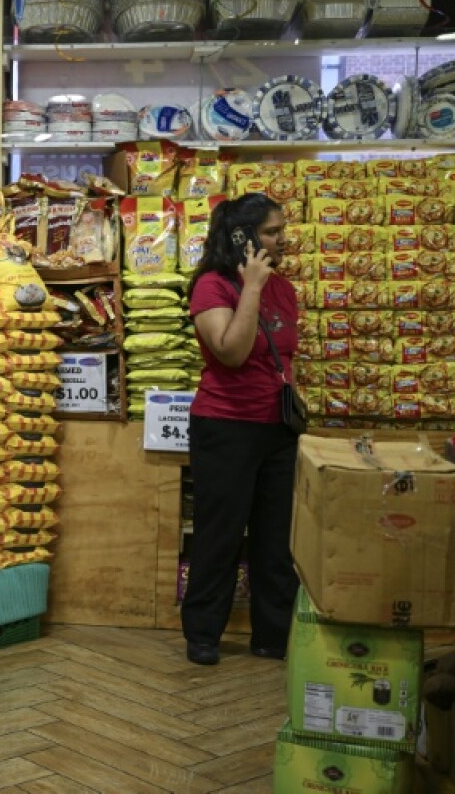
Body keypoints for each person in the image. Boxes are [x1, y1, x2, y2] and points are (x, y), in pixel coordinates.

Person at [181, 192, 300, 667]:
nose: (281, 240)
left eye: (280, 230)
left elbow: (285, 355)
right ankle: (204, 634)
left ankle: (273, 634)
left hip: (279, 429)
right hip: (225, 426)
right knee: (221, 535)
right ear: (242, 237)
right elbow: (230, 350)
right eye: (272, 232)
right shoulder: (213, 286)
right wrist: (249, 287)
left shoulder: (285, 289)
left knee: (277, 539)